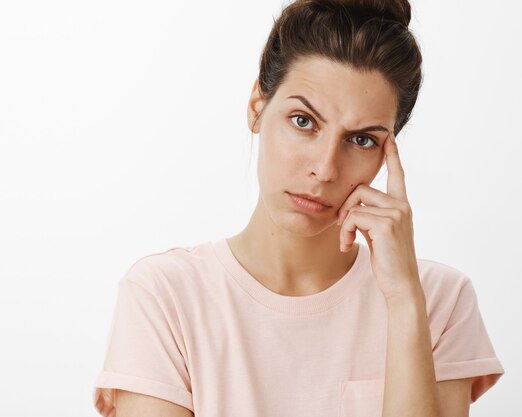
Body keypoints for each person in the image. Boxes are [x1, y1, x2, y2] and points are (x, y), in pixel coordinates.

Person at [92, 0, 505, 416]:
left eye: (361, 140)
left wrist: (403, 302)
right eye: (303, 121)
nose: (325, 169)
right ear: (258, 106)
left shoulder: (438, 301)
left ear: (387, 154)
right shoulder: (166, 297)